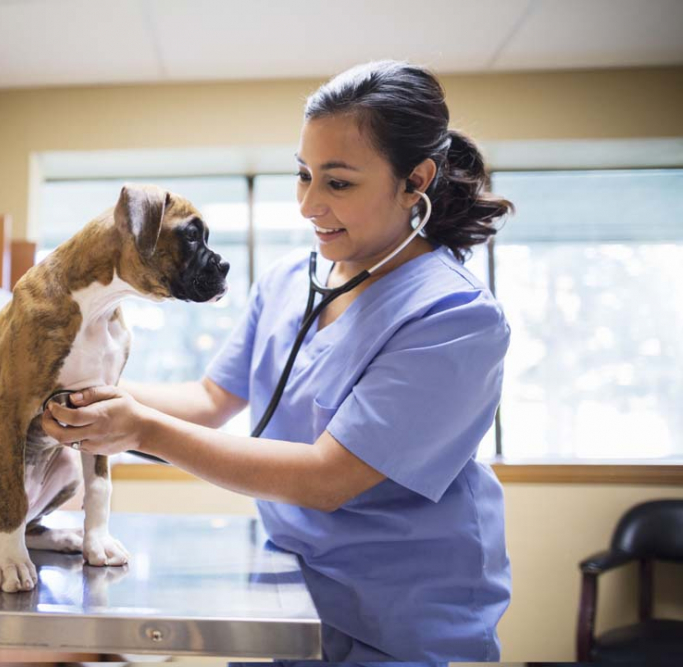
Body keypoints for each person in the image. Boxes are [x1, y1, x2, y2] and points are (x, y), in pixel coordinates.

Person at [42, 60, 514, 663]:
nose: (308, 205)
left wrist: (140, 427)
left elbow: (327, 478)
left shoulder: (454, 316)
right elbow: (213, 400)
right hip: (286, 594)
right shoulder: (292, 278)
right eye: (302, 175)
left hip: (404, 619)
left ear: (414, 179)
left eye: (338, 183)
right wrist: (69, 386)